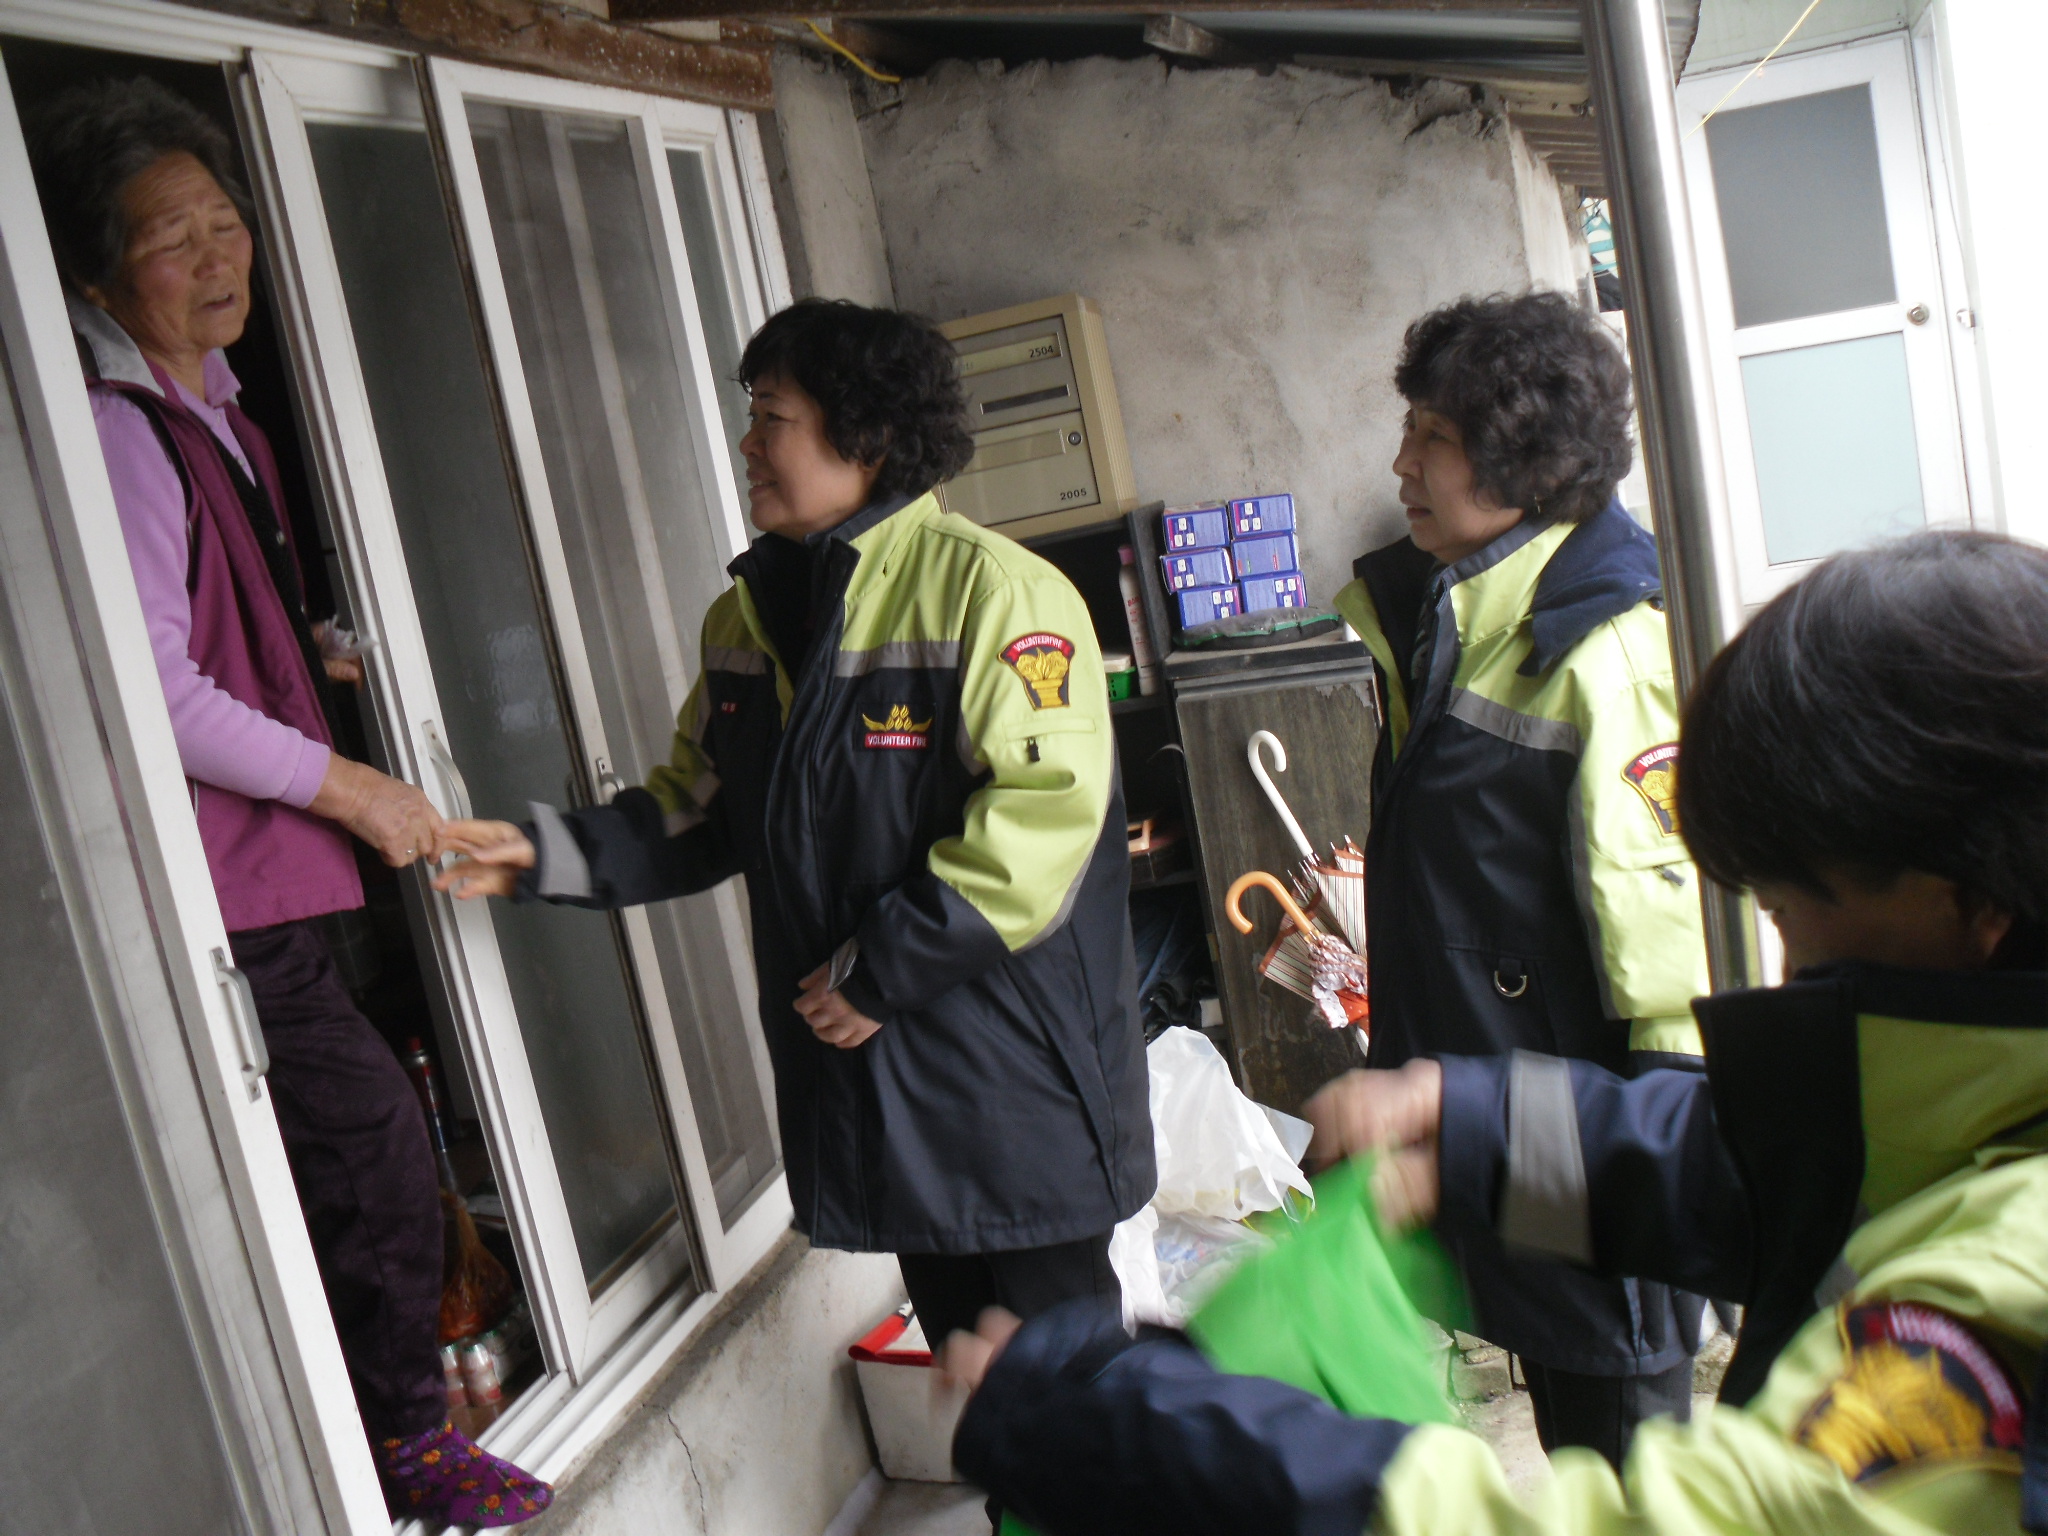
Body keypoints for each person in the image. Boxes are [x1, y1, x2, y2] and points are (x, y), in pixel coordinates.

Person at [941, 529, 2048, 1536]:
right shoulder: (1975, 1113)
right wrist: (1483, 1130)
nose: (1785, 957)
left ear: (1966, 899)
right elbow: (1762, 1173)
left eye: (1791, 908)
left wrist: (1162, 1435)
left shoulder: (1992, 1304)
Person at [436, 298, 1155, 1350]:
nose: (747, 444)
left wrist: (879, 972)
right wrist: (553, 852)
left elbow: (1043, 822)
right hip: (888, 1090)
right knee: (986, 1391)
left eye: (771, 416)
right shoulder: (745, 620)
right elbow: (699, 807)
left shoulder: (995, 594)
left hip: (1012, 1086)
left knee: (1072, 1396)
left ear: (866, 436)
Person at [28, 80, 550, 1527]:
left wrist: (310, 657)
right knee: (369, 1140)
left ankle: (379, 1416)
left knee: (347, 1142)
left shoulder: (222, 415)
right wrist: (356, 786)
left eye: (224, 221)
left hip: (275, 868)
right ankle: (402, 1448)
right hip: (210, 886)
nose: (217, 258)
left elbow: (211, 624)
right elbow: (151, 688)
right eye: (170, 239)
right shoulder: (119, 429)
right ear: (94, 279)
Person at [1325, 291, 1711, 1463]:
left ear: (1524, 462)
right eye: (1409, 431)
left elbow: (1668, 979)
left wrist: (1652, 1201)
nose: (1401, 464)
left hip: (1582, 1148)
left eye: (1433, 438)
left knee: (1618, 1444)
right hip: (1503, 1124)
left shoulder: (1605, 652)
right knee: (1564, 1407)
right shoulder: (1456, 618)